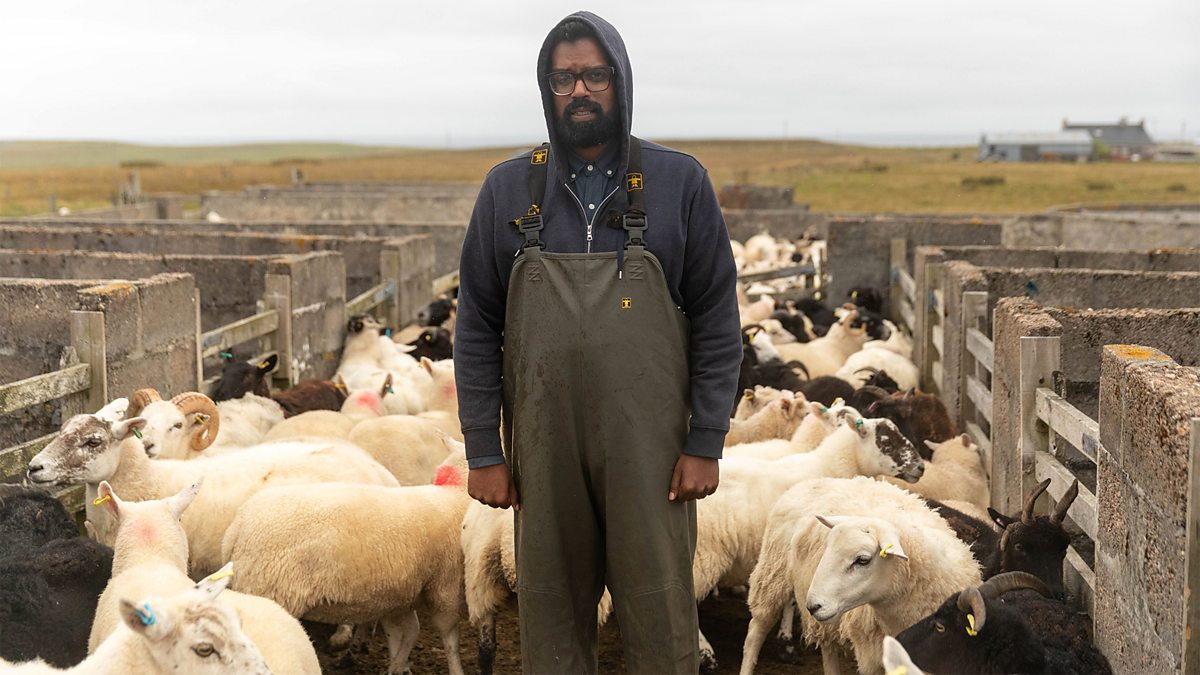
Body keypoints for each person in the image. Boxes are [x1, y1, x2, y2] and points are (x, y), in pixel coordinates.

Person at [454, 11, 741, 673]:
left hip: (653, 456)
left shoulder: (679, 182)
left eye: (594, 75)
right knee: (550, 618)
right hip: (542, 454)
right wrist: (483, 449)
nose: (579, 91)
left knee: (661, 614)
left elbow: (717, 321)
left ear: (620, 80)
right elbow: (476, 328)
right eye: (563, 79)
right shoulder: (508, 188)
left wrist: (706, 440)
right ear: (547, 89)